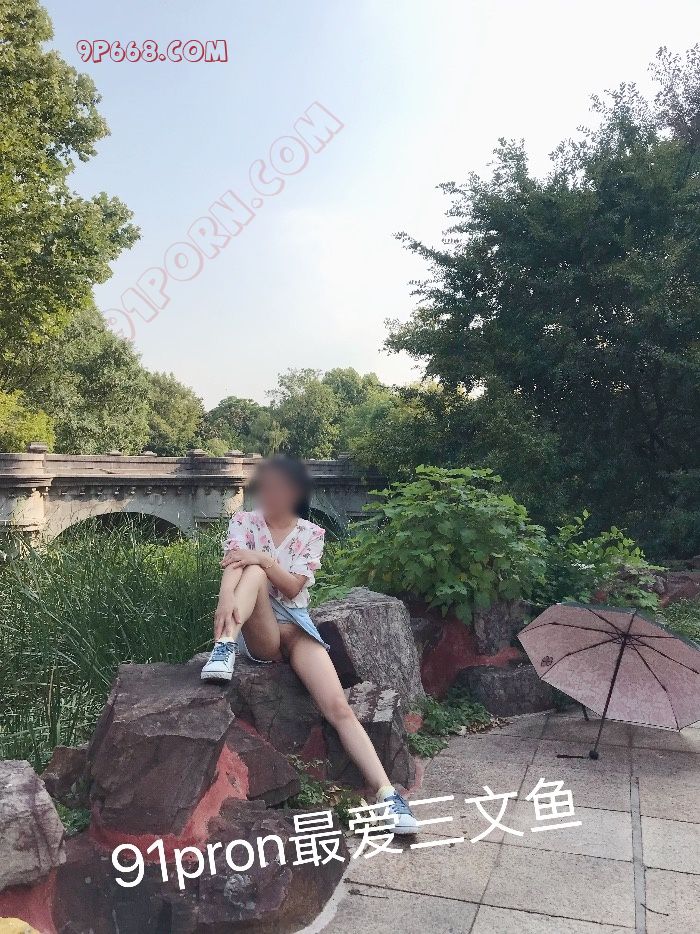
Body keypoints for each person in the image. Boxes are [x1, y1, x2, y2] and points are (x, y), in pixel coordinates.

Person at [201, 455, 418, 833]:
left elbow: (292, 588)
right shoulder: (244, 521)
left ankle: (388, 796)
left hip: (298, 627)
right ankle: (225, 647)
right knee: (253, 572)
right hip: (259, 623)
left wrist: (262, 558)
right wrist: (225, 598)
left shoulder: (312, 534)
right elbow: (234, 564)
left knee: (339, 707)